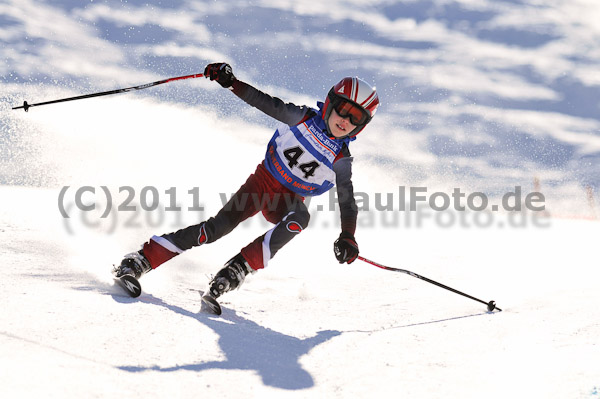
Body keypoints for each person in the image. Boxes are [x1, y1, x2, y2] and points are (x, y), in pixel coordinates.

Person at [113, 62, 380, 311]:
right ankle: (140, 260)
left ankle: (237, 269)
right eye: (343, 109)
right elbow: (266, 103)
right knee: (214, 230)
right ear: (330, 103)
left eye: (356, 117)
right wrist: (231, 83)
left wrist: (348, 236)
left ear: (361, 126)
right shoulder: (301, 118)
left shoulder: (341, 159)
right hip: (261, 184)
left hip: (286, 201)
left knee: (300, 218)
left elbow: (347, 201)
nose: (345, 120)